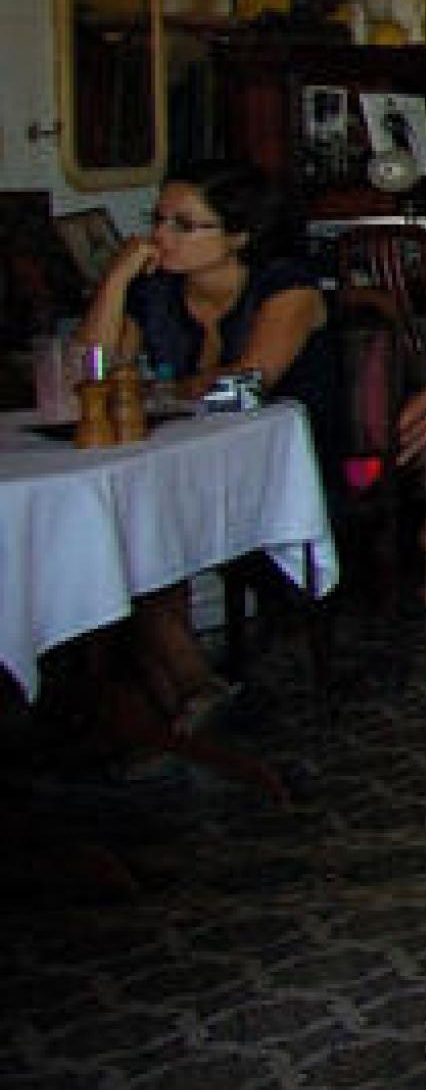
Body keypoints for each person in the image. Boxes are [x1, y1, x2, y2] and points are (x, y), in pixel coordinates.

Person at [70, 165, 338, 727]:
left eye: (183, 225)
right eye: (158, 220)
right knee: (122, 513)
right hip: (190, 456)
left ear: (238, 236)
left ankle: (176, 691)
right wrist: (117, 277)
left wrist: (155, 387)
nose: (159, 237)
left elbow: (248, 381)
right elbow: (89, 370)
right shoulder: (155, 292)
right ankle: (178, 691)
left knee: (137, 515)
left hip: (282, 465)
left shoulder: (287, 287)